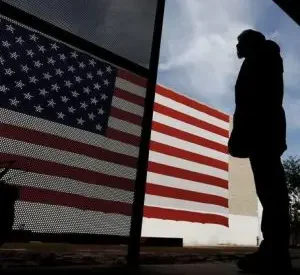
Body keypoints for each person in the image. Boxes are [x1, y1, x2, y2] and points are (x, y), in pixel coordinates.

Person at [228, 29, 291, 273]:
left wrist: (247, 131)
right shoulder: (260, 57)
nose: (236, 47)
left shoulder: (263, 55)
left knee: (271, 191)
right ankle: (274, 250)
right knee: (270, 191)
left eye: (239, 41)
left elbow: (257, 100)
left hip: (262, 132)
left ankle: (274, 253)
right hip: (262, 132)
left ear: (250, 42)